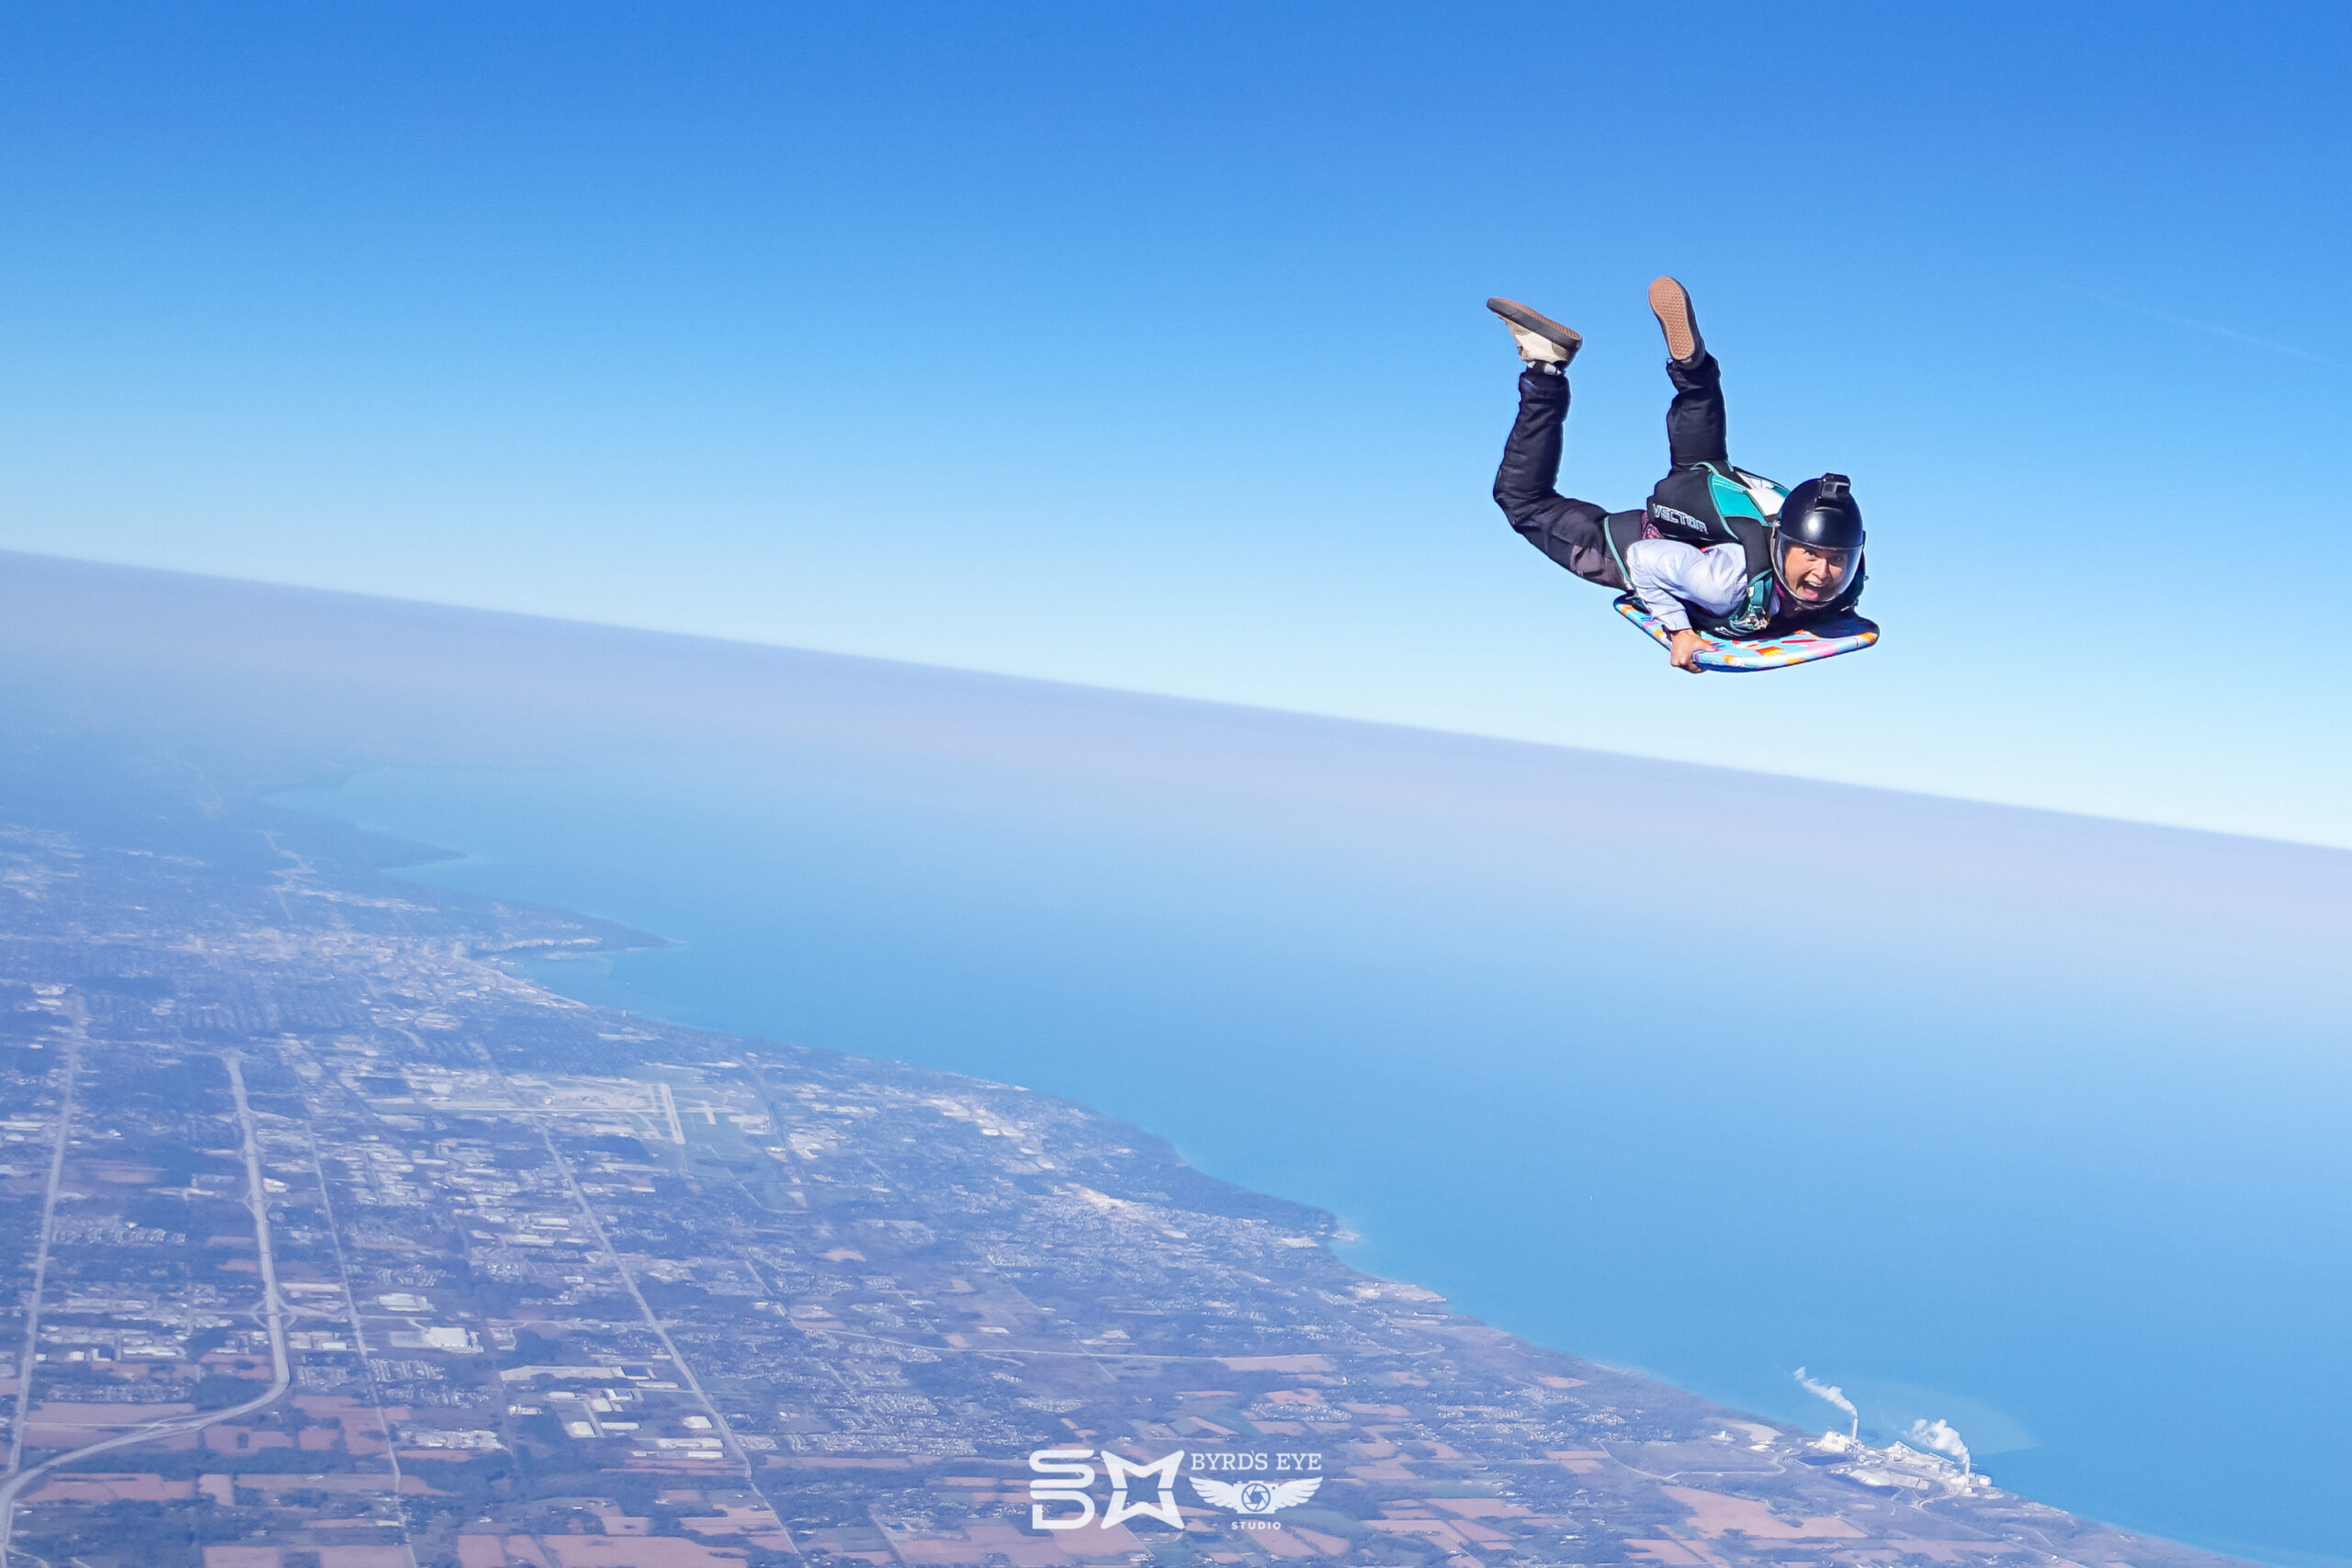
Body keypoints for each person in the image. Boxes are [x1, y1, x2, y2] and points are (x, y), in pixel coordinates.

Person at [1487, 277, 1866, 673]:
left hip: (1707, 507)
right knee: (1521, 500)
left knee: (1702, 466)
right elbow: (1643, 559)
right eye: (1810, 555)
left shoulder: (1843, 581)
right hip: (1647, 544)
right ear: (1783, 545)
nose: (1823, 574)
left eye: (1837, 559)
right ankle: (1546, 366)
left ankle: (1693, 368)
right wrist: (1678, 628)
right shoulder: (1725, 584)